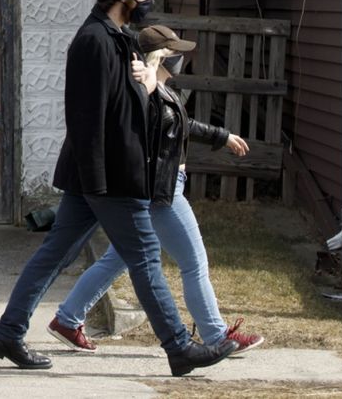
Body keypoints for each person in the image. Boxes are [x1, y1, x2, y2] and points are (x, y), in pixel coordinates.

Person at [0, 0, 238, 377]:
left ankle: (9, 331)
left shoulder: (118, 38)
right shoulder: (94, 42)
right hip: (109, 177)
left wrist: (146, 83)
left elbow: (127, 108)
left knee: (54, 256)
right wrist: (100, 182)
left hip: (98, 178)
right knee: (145, 257)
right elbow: (86, 119)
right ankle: (179, 347)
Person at [46, 23, 265, 357]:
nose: (182, 58)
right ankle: (217, 336)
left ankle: (67, 319)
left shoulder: (157, 89)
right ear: (160, 57)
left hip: (150, 189)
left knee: (116, 260)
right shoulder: (145, 91)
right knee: (194, 263)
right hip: (162, 191)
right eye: (174, 52)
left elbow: (179, 124)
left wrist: (221, 136)